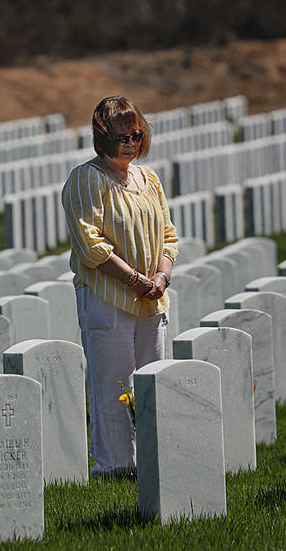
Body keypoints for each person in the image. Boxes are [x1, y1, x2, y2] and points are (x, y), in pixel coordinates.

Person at [61, 94, 178, 478]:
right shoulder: (86, 179)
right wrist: (132, 279)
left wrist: (160, 277)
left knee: (151, 382)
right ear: (103, 138)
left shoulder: (149, 180)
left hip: (151, 298)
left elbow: (168, 235)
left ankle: (153, 459)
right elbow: (90, 243)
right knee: (113, 385)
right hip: (107, 297)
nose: (130, 142)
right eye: (121, 135)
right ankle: (113, 466)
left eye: (136, 134)